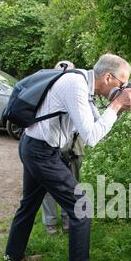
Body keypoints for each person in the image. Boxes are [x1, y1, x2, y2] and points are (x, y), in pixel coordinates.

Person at [4, 53, 131, 261]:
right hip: (39, 151)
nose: (124, 87)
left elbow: (97, 126)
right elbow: (92, 138)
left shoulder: (84, 86)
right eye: (122, 83)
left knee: (28, 204)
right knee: (82, 206)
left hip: (37, 147)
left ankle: (13, 256)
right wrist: (117, 104)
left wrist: (117, 108)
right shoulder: (75, 85)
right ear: (108, 77)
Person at [42, 60, 85, 235]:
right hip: (50, 145)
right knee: (47, 186)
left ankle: (69, 224)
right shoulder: (47, 90)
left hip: (73, 147)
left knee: (72, 186)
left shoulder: (79, 91)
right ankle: (50, 224)